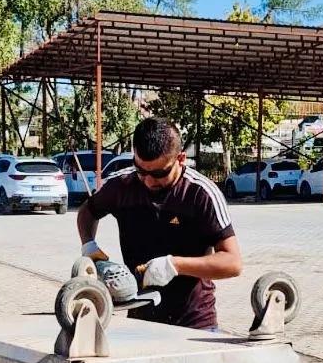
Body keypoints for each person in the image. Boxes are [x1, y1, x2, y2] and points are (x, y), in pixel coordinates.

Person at [76, 116, 242, 331]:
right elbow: (87, 211)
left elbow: (233, 263)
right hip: (139, 322)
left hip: (193, 325)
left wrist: (174, 266)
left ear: (181, 159)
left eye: (159, 173)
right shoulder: (122, 185)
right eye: (141, 170)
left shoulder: (200, 194)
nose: (148, 180)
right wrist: (89, 246)